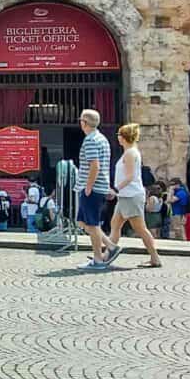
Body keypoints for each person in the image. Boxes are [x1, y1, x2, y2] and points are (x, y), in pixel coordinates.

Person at [102, 124, 161, 269]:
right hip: (126, 196)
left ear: (124, 137)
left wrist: (115, 189)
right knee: (115, 225)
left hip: (131, 196)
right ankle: (105, 256)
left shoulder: (130, 154)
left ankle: (155, 258)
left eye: (119, 134)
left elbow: (129, 177)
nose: (117, 137)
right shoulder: (130, 152)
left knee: (140, 228)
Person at [75, 109, 113, 269]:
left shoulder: (90, 140)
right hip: (99, 186)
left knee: (92, 223)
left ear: (84, 122)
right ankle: (110, 246)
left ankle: (99, 258)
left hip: (91, 187)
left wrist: (88, 187)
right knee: (82, 222)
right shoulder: (102, 139)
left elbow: (95, 165)